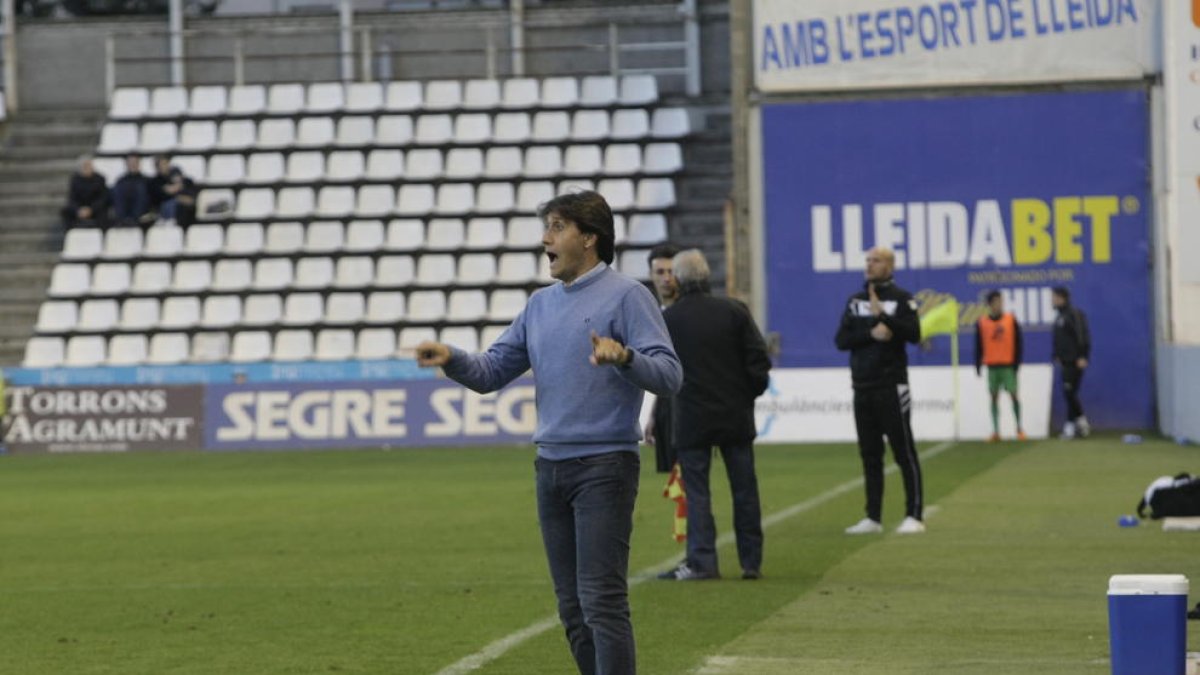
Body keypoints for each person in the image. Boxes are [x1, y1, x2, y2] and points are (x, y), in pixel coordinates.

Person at [415, 190, 682, 675]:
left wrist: (624, 357)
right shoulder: (539, 305)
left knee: (602, 602)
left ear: (589, 237)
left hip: (605, 466)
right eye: (548, 228)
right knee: (573, 610)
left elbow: (670, 375)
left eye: (557, 227)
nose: (546, 239)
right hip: (550, 468)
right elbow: (492, 371)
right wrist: (452, 359)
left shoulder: (628, 295)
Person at [657, 249, 770, 581]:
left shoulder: (670, 319)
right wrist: (747, 395)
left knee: (698, 492)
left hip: (691, 416)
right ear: (707, 277)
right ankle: (751, 562)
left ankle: (703, 561)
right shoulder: (734, 311)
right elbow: (759, 362)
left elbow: (661, 367)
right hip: (735, 414)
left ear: (677, 279)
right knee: (745, 489)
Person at [835, 247, 925, 535]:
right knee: (870, 454)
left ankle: (914, 514)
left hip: (891, 385)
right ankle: (872, 517)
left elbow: (914, 333)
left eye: (875, 261)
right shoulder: (855, 300)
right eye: (867, 261)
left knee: (903, 451)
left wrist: (885, 319)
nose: (869, 265)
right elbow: (842, 339)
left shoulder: (902, 299)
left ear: (889, 265)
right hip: (862, 386)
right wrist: (870, 333)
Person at [643, 242, 681, 473]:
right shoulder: (654, 315)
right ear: (651, 275)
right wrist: (655, 414)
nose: (666, 278)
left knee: (690, 480)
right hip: (668, 407)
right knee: (678, 481)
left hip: (690, 409)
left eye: (671, 271)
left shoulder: (689, 313)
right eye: (660, 272)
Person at [975, 290, 1026, 442]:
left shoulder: (1011, 320)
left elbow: (1018, 342)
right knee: (993, 397)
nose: (999, 305)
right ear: (990, 304)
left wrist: (1017, 363)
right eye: (996, 302)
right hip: (992, 365)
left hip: (1008, 365)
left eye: (1001, 301)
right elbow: (978, 345)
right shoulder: (982, 322)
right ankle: (996, 431)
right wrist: (977, 363)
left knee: (1014, 395)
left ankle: (1019, 428)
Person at [1051, 286, 1091, 439]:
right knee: (1070, 393)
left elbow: (1083, 336)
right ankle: (1079, 424)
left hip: (1075, 361)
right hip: (1065, 361)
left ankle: (1074, 424)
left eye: (1054, 298)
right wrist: (1056, 354)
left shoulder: (1074, 314)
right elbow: (1059, 339)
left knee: (1069, 392)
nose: (1052, 301)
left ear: (1062, 298)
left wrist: (1083, 356)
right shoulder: (1058, 317)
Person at [149, 154, 199, 227]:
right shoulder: (155, 182)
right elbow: (161, 196)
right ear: (157, 167)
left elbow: (191, 198)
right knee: (169, 204)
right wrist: (177, 194)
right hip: (164, 211)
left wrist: (176, 190)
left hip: (184, 213)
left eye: (166, 163)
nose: (165, 166)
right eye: (161, 164)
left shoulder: (184, 179)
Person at [60, 156, 110, 228]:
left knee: (103, 213)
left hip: (95, 208)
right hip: (80, 209)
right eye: (85, 166)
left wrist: (91, 209)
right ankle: (70, 233)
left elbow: (103, 198)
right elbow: (72, 198)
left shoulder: (100, 179)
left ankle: (102, 235)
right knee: (66, 212)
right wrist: (78, 210)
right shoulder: (75, 180)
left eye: (89, 165)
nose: (88, 168)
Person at [111, 153, 151, 225]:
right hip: (124, 211)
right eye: (130, 162)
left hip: (141, 213)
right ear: (127, 164)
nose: (133, 165)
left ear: (139, 164)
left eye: (135, 162)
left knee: (141, 189)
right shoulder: (121, 180)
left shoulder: (146, 180)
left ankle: (134, 219)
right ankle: (123, 219)